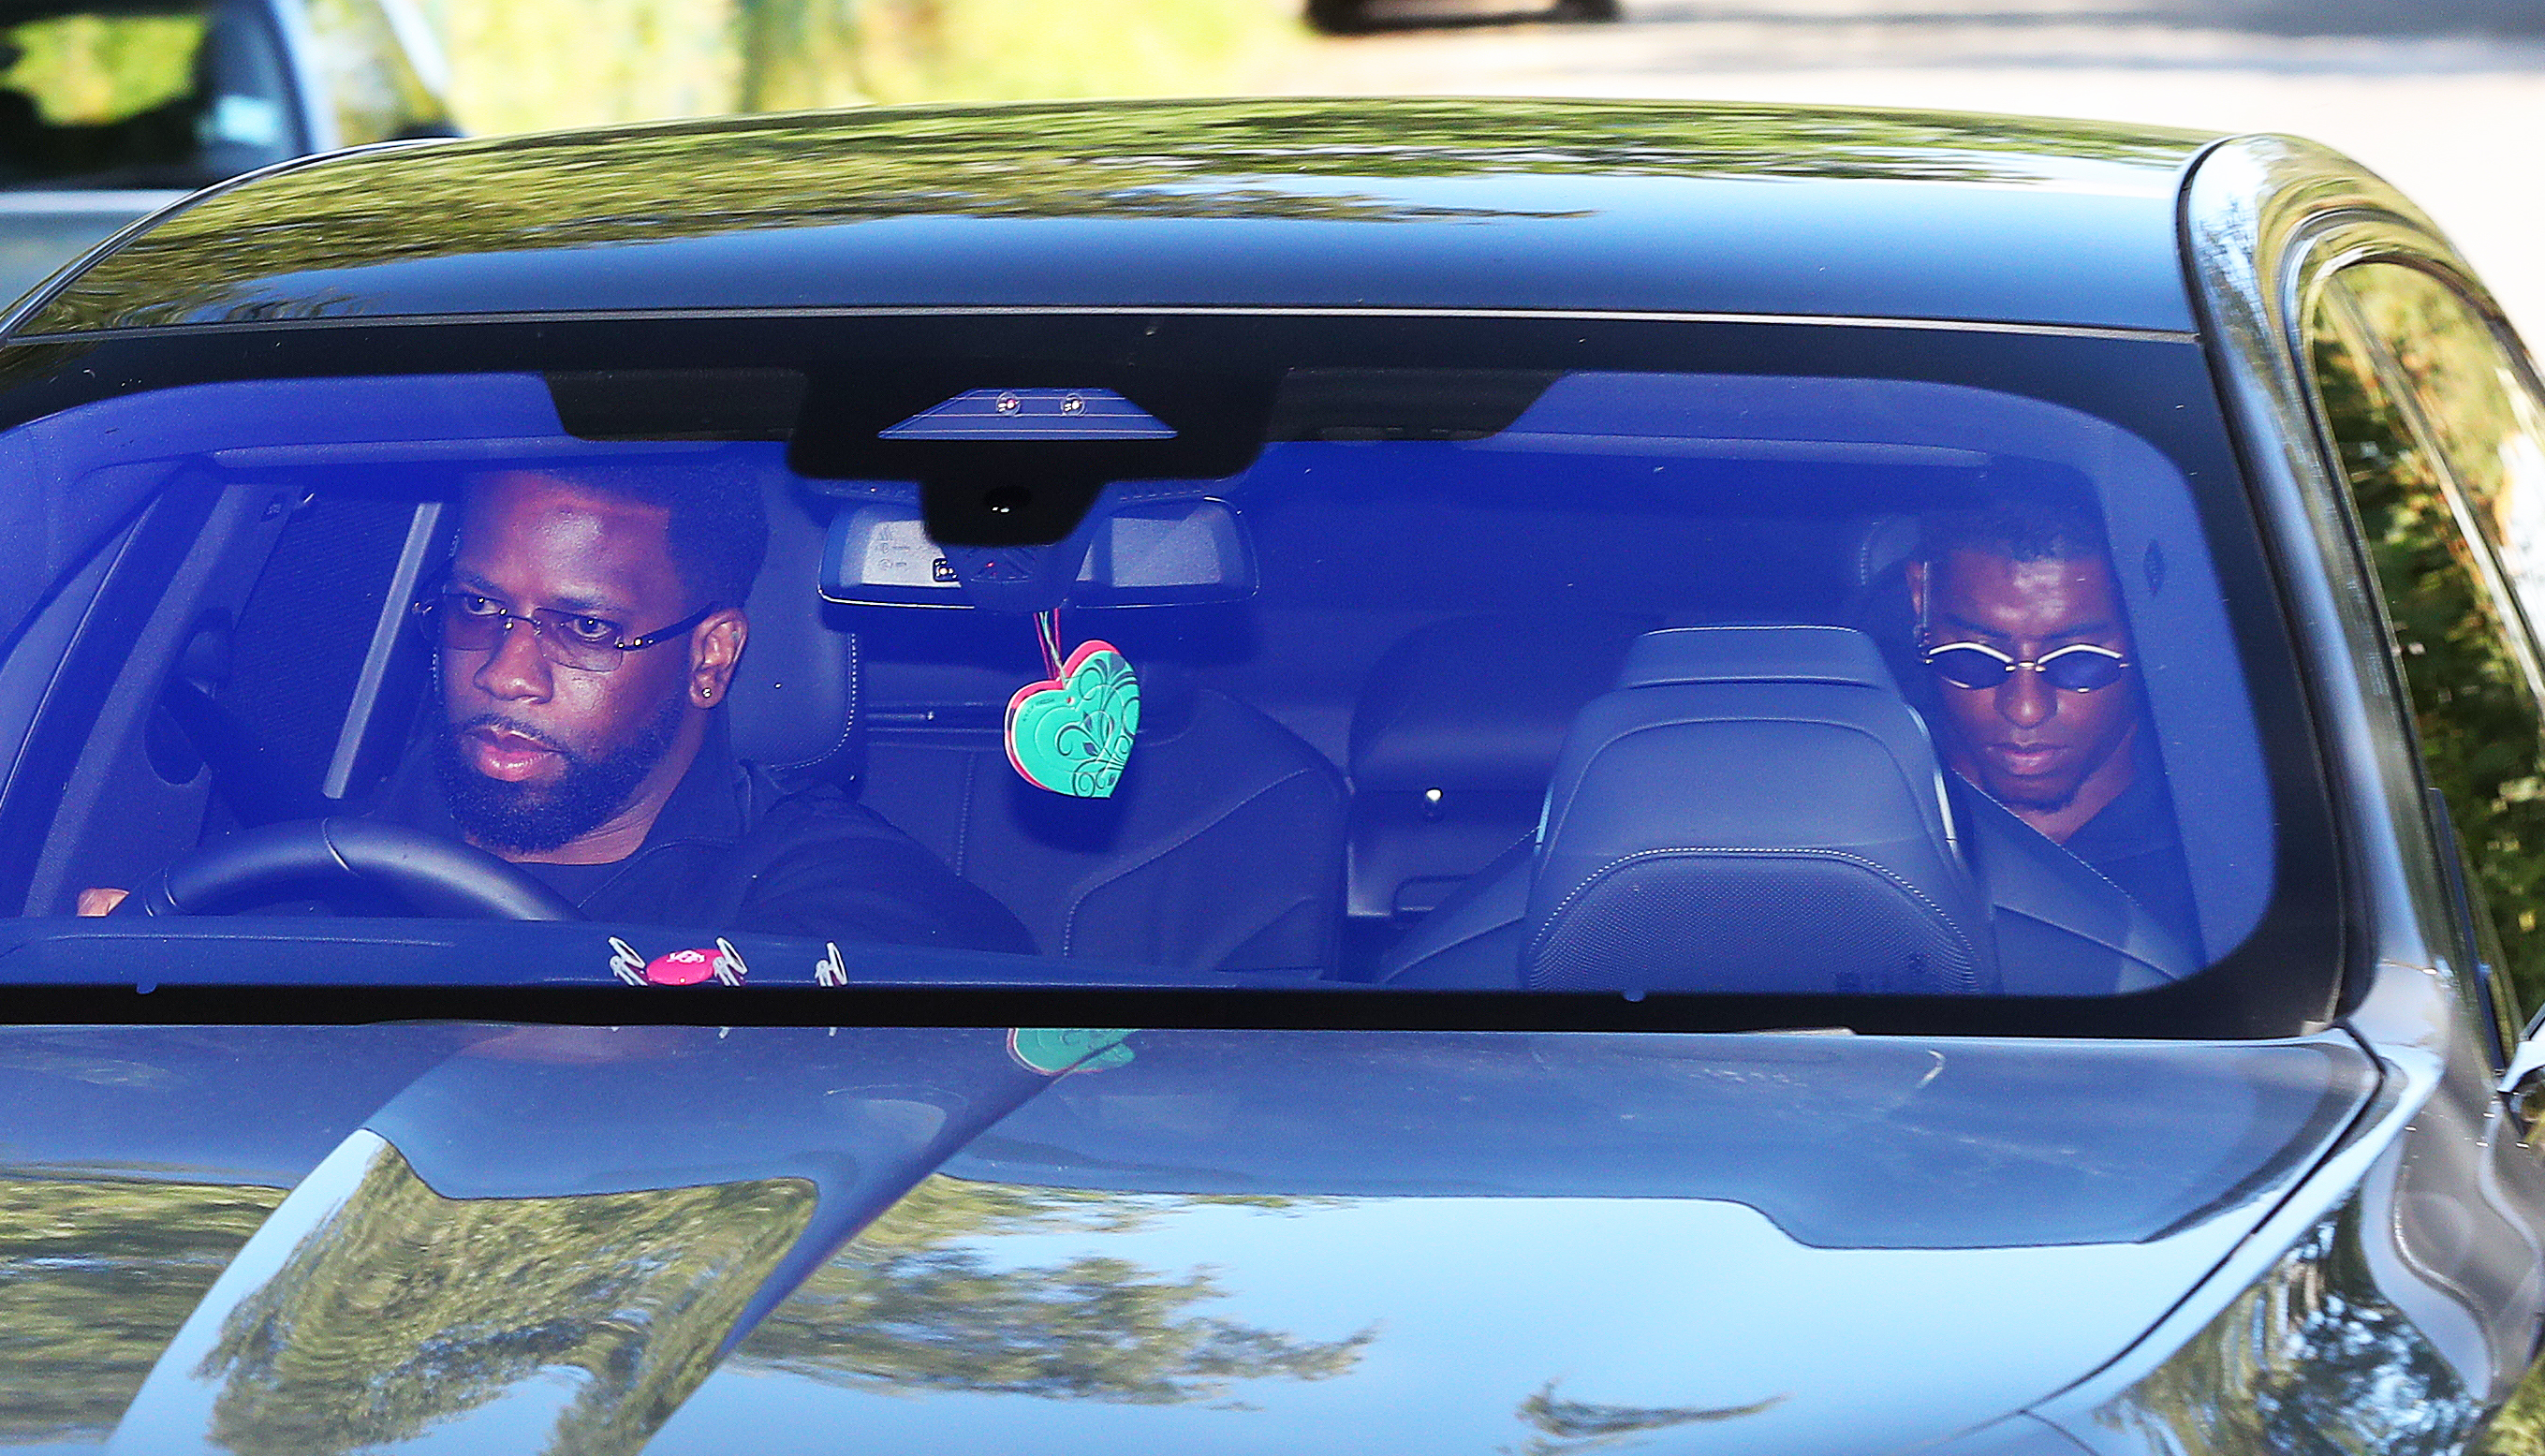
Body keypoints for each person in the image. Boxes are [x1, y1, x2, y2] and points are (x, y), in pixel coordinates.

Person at [86, 464, 1035, 953]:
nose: (506, 671)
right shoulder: (294, 872)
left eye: (582, 626)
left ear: (711, 656)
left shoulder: (816, 890)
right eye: (476, 606)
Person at [1905, 495, 2199, 949]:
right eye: (1974, 659)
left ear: (2150, 625)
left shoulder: (2220, 847)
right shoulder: (1855, 814)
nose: (2025, 709)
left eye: (2078, 663)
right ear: (1920, 598)